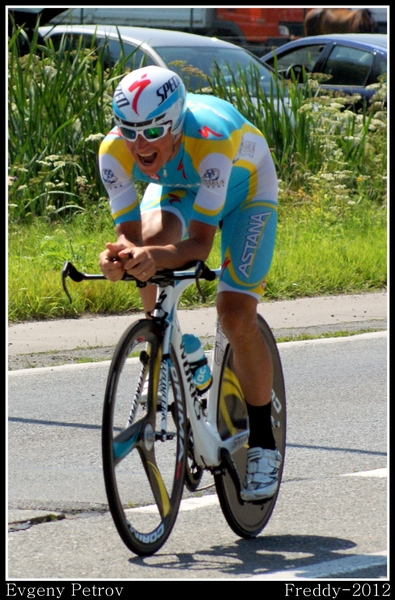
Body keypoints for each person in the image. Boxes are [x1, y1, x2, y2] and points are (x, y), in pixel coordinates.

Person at [98, 65, 281, 501]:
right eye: (129, 130)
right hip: (183, 187)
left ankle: (263, 446)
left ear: (176, 124)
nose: (139, 145)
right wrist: (118, 257)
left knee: (235, 315)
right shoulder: (113, 152)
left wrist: (147, 255)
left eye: (152, 131)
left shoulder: (211, 138)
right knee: (148, 248)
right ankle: (166, 348)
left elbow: (199, 245)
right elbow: (131, 237)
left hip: (245, 191)